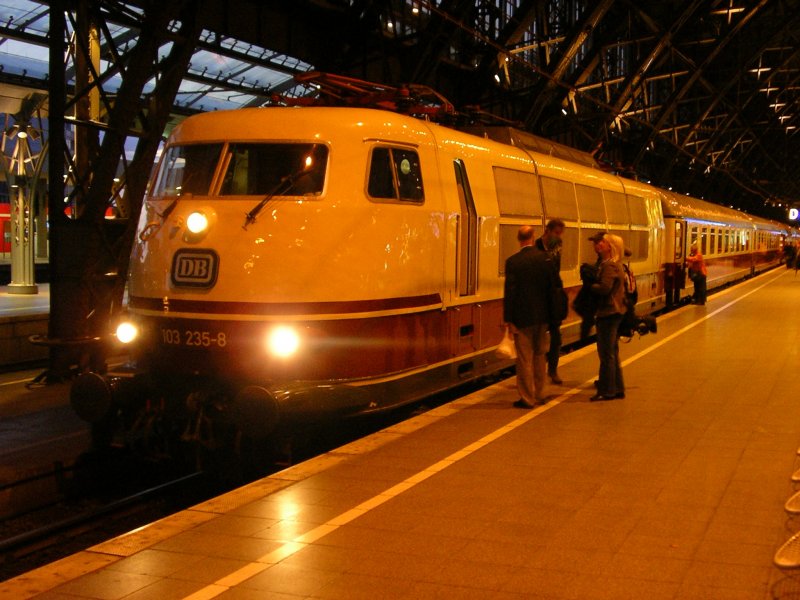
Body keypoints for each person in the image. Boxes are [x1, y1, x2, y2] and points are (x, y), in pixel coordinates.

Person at [504, 225, 558, 408]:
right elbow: (553, 290)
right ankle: (541, 393)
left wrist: (508, 319)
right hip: (543, 318)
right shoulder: (546, 259)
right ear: (533, 237)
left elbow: (510, 292)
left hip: (522, 319)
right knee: (540, 356)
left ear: (519, 239)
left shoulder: (513, 262)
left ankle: (527, 398)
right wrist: (552, 316)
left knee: (524, 360)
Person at [588, 232, 626, 401]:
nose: (599, 244)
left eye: (603, 242)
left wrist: (591, 286)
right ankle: (617, 388)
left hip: (608, 312)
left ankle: (606, 390)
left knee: (606, 354)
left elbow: (605, 288)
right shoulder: (614, 264)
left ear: (610, 246)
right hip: (614, 312)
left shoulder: (609, 266)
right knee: (612, 352)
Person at [535, 218, 566, 384]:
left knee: (556, 337)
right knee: (539, 337)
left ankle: (553, 370)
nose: (559, 237)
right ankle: (538, 372)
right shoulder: (535, 247)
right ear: (547, 231)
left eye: (560, 234)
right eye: (556, 233)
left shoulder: (557, 245)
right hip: (540, 297)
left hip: (553, 296)